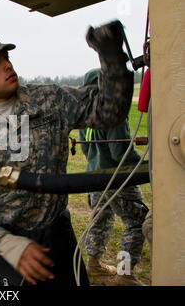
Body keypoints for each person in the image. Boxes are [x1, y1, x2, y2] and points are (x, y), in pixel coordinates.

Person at [0, 20, 135, 286]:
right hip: (5, 248)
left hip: (58, 236)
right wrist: (3, 243)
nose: (7, 65)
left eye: (5, 57)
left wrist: (111, 58)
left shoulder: (48, 99)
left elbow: (109, 112)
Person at [78, 68, 149, 286]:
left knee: (100, 219)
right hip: (116, 178)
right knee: (137, 221)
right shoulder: (113, 112)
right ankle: (125, 273)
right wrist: (145, 167)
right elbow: (121, 153)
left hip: (94, 177)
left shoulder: (85, 114)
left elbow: (86, 148)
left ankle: (94, 264)